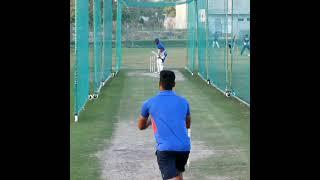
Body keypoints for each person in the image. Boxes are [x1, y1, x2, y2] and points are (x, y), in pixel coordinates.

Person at [138, 70, 191, 180]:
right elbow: (187, 124)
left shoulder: (148, 103)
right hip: (184, 148)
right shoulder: (184, 102)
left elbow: (141, 126)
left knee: (171, 177)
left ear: (159, 84)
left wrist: (151, 121)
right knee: (178, 173)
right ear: (174, 84)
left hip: (165, 149)